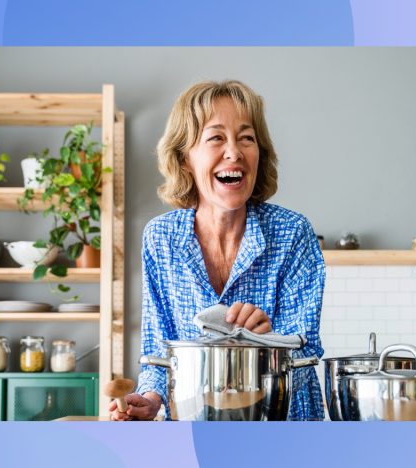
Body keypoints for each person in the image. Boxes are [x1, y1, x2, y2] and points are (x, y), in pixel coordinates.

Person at [110, 80, 326, 421]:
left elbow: (307, 352)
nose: (234, 152)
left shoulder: (292, 233)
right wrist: (152, 399)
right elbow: (157, 351)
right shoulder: (161, 238)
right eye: (216, 138)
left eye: (247, 138)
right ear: (185, 159)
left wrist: (269, 345)